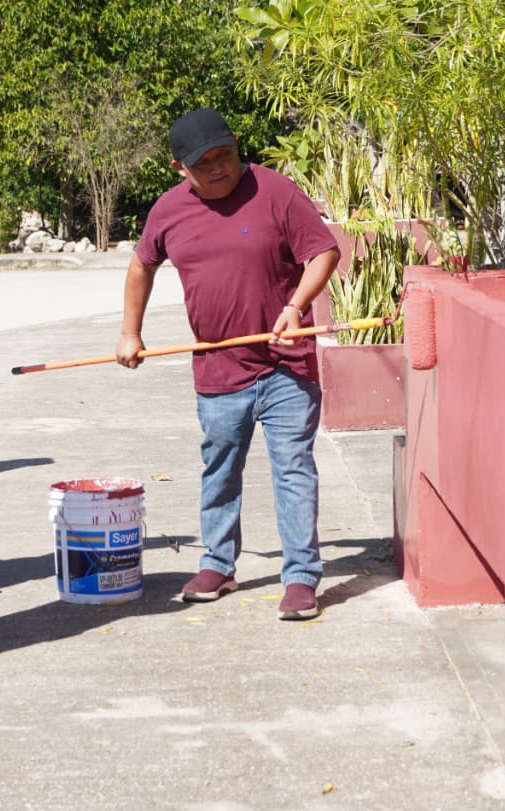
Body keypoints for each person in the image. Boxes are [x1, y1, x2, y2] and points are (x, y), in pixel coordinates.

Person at [115, 108, 341, 620]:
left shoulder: (275, 191)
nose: (219, 168)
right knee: (219, 469)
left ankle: (301, 576)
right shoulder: (168, 211)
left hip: (285, 366)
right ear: (179, 168)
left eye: (226, 156)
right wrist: (130, 332)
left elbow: (323, 252)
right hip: (218, 368)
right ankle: (218, 564)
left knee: (294, 470)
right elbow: (141, 265)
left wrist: (296, 306)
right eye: (204, 163)